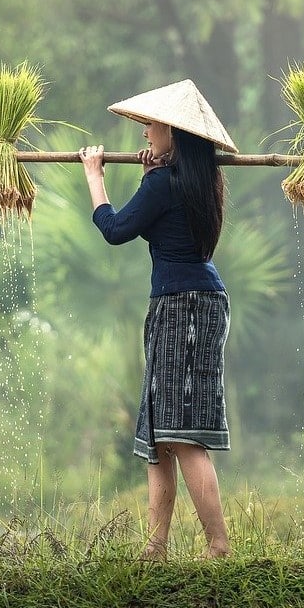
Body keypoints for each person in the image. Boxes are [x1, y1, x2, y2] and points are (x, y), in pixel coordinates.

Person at [78, 79, 239, 561]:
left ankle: (218, 545)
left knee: (179, 433)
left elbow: (115, 229)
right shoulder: (198, 181)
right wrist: (152, 175)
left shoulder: (164, 184)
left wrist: (94, 175)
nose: (145, 133)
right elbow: (161, 213)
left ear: (172, 130)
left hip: (183, 307)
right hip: (193, 301)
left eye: (151, 125)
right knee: (159, 432)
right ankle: (156, 547)